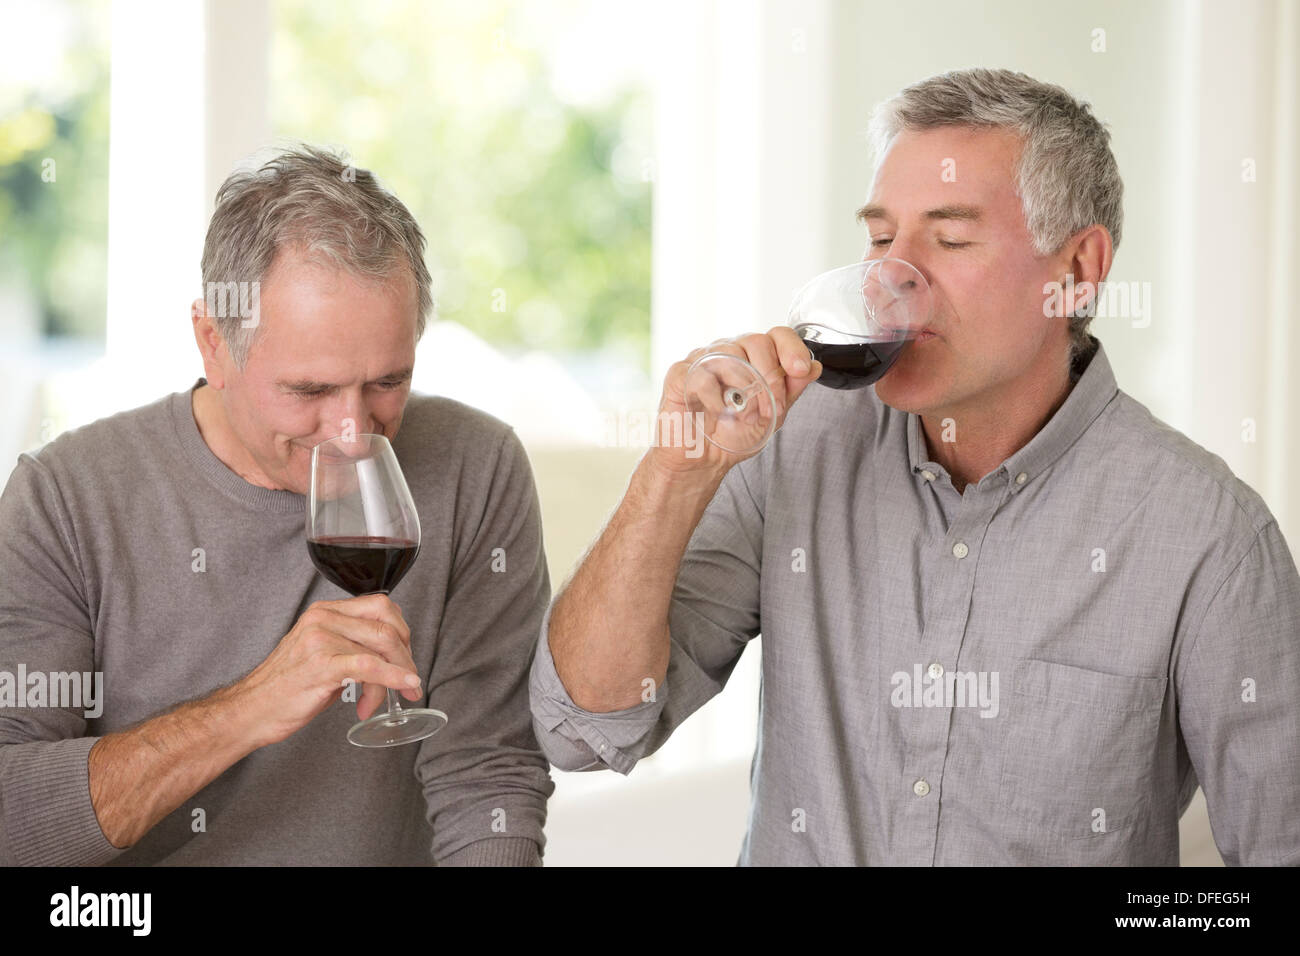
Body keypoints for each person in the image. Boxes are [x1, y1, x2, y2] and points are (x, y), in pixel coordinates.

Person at [530, 68, 1300, 865]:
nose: (890, 281)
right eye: (879, 238)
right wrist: (674, 472)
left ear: (1076, 271)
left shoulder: (1210, 538)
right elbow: (581, 727)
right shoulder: (792, 447)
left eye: (952, 238)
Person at [0, 145, 553, 866]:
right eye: (310, 391)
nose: (354, 431)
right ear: (213, 342)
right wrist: (249, 708)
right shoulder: (64, 500)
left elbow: (488, 776)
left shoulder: (477, 467)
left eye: (388, 381)